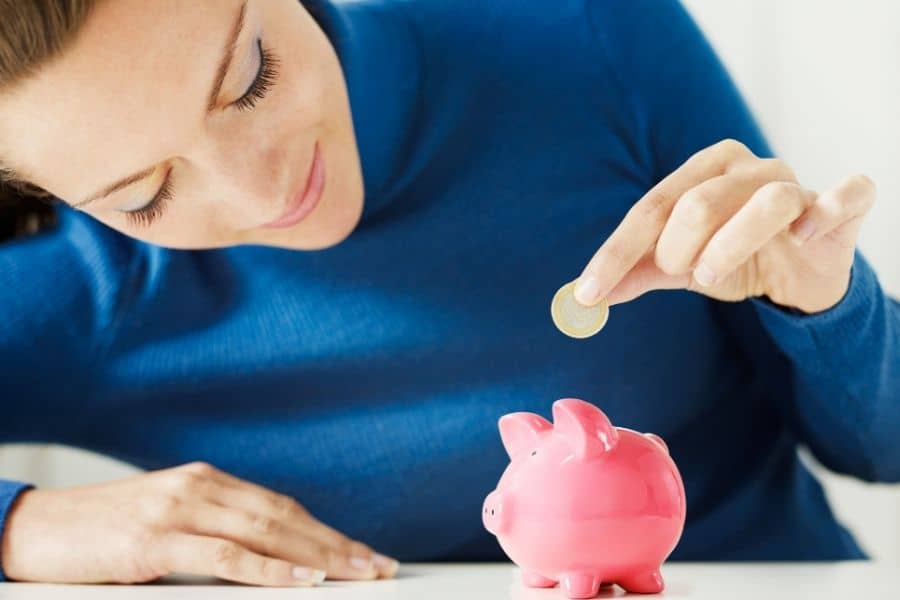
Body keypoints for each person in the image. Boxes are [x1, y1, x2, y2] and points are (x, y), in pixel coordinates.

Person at [0, 0, 898, 589]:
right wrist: (21, 524)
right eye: (144, 195)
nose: (264, 192)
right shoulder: (76, 286)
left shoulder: (592, 35)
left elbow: (884, 452)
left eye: (249, 79)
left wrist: (825, 305)